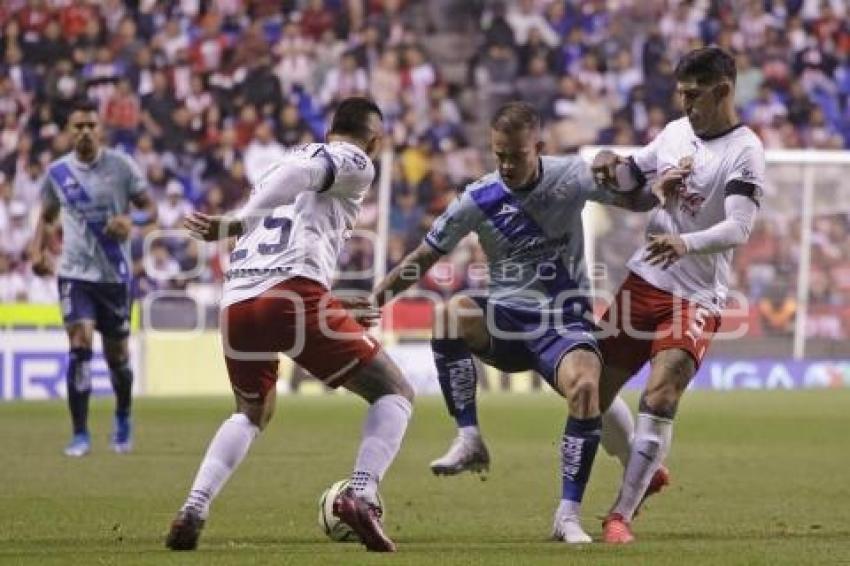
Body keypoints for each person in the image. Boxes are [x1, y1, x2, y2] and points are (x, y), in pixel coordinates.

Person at [368, 101, 656, 543]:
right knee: (449, 315)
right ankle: (469, 438)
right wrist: (376, 300)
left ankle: (567, 516)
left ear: (537, 147)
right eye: (498, 154)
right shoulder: (478, 197)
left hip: (563, 319)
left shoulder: (571, 176)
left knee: (585, 389)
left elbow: (637, 202)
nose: (505, 165)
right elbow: (425, 256)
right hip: (504, 319)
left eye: (515, 156)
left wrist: (623, 173)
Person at [167, 98, 414, 553]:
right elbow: (297, 189)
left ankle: (194, 506)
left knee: (251, 411)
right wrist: (236, 223)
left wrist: (330, 305)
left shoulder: (286, 160)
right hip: (291, 295)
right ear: (375, 140)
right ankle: (360, 494)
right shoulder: (353, 159)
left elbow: (285, 233)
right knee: (394, 391)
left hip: (239, 300)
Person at [592, 47, 765, 543]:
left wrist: (683, 241)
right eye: (682, 93)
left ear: (723, 90)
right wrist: (610, 164)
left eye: (694, 94)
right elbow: (630, 175)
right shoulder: (673, 133)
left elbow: (738, 227)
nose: (685, 102)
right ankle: (645, 470)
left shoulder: (745, 150)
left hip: (695, 296)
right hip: (644, 280)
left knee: (662, 390)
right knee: (587, 391)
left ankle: (619, 514)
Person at [31, 98, 157, 457]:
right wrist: (37, 250)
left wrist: (132, 222)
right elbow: (47, 214)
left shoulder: (122, 166)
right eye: (78, 126)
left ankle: (123, 416)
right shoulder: (57, 173)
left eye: (91, 125)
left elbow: (152, 209)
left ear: (100, 129)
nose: (85, 132)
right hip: (74, 274)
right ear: (69, 131)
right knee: (80, 348)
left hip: (114, 276)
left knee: (117, 357)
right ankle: (80, 433)